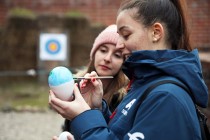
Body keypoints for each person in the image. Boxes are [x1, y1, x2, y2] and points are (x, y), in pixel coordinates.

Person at [49, 0, 209, 140]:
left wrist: (83, 117)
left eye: (125, 35)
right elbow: (120, 134)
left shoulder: (166, 97)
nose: (118, 45)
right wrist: (96, 109)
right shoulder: (144, 85)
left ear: (156, 32)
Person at [52, 24, 129, 139]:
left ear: (124, 61)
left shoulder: (125, 98)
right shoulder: (78, 86)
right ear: (94, 53)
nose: (107, 58)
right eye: (103, 50)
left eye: (117, 55)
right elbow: (69, 128)